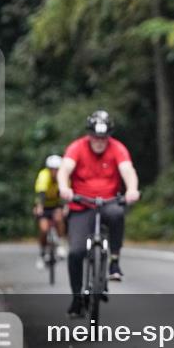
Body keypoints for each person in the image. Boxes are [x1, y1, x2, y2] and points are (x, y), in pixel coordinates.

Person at [57, 110, 141, 317]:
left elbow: (127, 170)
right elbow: (64, 169)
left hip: (108, 201)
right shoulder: (77, 147)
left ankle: (114, 261)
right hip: (81, 204)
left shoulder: (117, 148)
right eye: (95, 137)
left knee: (117, 215)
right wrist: (63, 187)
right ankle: (77, 298)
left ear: (109, 136)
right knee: (76, 252)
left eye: (103, 138)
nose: (99, 142)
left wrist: (131, 189)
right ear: (89, 135)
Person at [33, 154, 66, 268]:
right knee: (44, 229)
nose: (54, 172)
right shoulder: (43, 175)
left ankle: (61, 244)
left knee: (59, 218)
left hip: (57, 204)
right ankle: (42, 253)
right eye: (52, 169)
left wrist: (64, 207)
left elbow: (65, 193)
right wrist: (39, 207)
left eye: (57, 169)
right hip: (44, 205)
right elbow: (41, 193)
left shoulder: (63, 176)